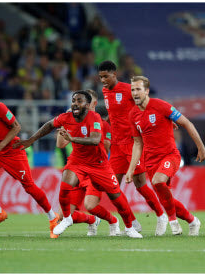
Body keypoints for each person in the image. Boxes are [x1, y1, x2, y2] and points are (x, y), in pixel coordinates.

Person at [14, 90, 143, 239]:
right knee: (64, 187)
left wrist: (72, 138)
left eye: (79, 101)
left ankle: (129, 228)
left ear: (87, 105)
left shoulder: (94, 117)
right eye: (74, 100)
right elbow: (49, 125)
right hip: (77, 161)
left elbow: (95, 140)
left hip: (98, 164)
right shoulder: (66, 117)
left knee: (117, 198)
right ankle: (68, 218)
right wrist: (31, 140)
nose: (75, 103)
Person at [0, 82, 59, 237]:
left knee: (29, 186)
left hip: (12, 150)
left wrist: (1, 146)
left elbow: (16, 127)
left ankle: (52, 217)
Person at [125, 76, 205, 236]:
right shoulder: (133, 114)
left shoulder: (161, 106)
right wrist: (130, 170)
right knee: (166, 198)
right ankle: (192, 220)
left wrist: (201, 147)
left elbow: (186, 123)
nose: (135, 93)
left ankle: (173, 222)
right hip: (150, 161)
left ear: (147, 91)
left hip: (170, 155)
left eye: (138, 89)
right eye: (132, 90)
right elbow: (137, 143)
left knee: (158, 181)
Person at [99, 61, 169, 236]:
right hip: (115, 145)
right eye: (100, 77)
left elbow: (147, 104)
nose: (102, 80)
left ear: (115, 74)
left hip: (132, 142)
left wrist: (165, 119)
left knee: (139, 183)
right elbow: (116, 113)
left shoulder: (128, 89)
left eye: (105, 76)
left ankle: (161, 215)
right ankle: (132, 223)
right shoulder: (105, 91)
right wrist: (103, 121)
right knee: (112, 187)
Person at [55, 89, 123, 237]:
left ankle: (113, 221)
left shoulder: (102, 123)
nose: (79, 105)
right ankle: (92, 220)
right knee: (61, 216)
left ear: (92, 103)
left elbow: (105, 147)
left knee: (90, 205)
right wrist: (66, 125)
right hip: (77, 168)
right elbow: (60, 145)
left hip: (95, 169)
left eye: (84, 101)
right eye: (76, 101)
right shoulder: (72, 119)